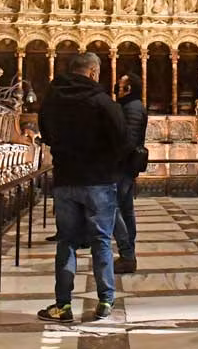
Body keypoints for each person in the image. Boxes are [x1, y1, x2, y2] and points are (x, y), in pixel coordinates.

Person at [37, 52, 127, 323]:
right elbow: (122, 137)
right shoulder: (102, 101)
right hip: (98, 180)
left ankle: (62, 305)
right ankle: (105, 301)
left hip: (66, 178)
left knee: (66, 242)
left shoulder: (52, 100)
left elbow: (47, 134)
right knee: (101, 241)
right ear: (93, 72)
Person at [113, 72, 148, 274]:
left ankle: (127, 253)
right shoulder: (130, 106)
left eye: (120, 86)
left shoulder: (132, 107)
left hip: (123, 166)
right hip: (127, 165)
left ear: (129, 88)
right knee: (125, 210)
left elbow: (130, 139)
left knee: (114, 208)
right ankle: (128, 253)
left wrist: (115, 160)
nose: (117, 89)